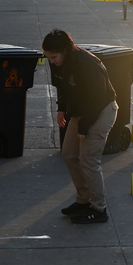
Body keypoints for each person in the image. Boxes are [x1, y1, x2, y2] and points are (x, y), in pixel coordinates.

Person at [42, 29, 118, 224]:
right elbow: (64, 87)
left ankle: (99, 209)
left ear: (65, 50)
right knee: (69, 154)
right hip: (82, 110)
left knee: (88, 160)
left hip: (100, 111)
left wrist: (84, 128)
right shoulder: (61, 63)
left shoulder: (86, 63)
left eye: (54, 57)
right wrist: (61, 109)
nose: (52, 61)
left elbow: (97, 99)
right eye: (48, 57)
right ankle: (84, 200)